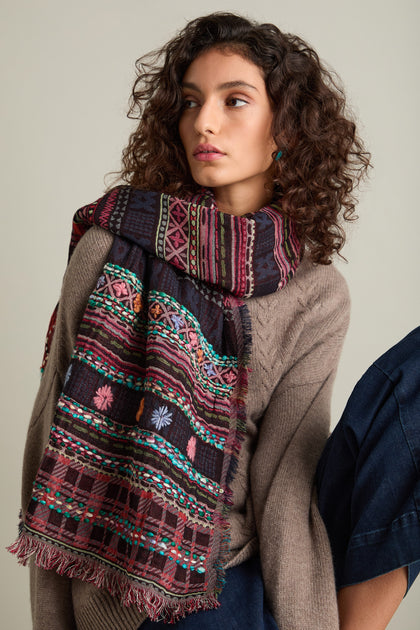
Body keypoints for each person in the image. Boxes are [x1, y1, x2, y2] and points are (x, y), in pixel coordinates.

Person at [11, 11, 410, 630]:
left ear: (287, 129)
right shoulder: (112, 244)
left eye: (235, 100)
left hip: (239, 579)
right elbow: (52, 448)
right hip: (131, 591)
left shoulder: (316, 294)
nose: (205, 122)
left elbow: (283, 482)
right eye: (192, 102)